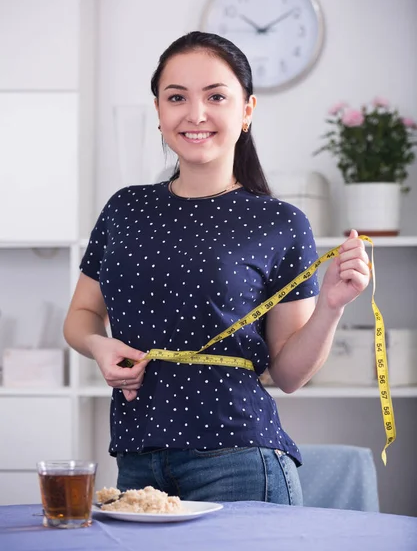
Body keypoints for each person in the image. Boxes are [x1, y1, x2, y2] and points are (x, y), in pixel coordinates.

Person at [63, 31, 371, 506]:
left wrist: (330, 307)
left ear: (247, 110)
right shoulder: (125, 209)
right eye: (176, 97)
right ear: (159, 112)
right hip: (137, 461)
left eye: (216, 96)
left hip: (240, 462)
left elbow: (289, 375)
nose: (195, 113)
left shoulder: (281, 223)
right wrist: (98, 345)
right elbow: (81, 314)